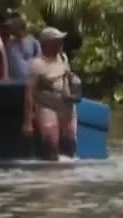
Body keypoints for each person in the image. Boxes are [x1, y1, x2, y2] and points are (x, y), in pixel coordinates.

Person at [22, 27, 80, 161]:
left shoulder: (63, 58)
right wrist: (27, 121)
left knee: (70, 139)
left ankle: (68, 174)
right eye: (58, 40)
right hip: (47, 105)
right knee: (50, 139)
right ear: (48, 43)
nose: (61, 43)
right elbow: (29, 93)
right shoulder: (37, 64)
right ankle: (50, 171)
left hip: (66, 105)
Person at [5, 15, 41, 81]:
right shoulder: (9, 44)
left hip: (30, 80)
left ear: (18, 27)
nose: (9, 28)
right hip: (13, 80)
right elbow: (6, 61)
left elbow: (39, 60)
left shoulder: (34, 42)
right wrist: (6, 76)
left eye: (12, 26)